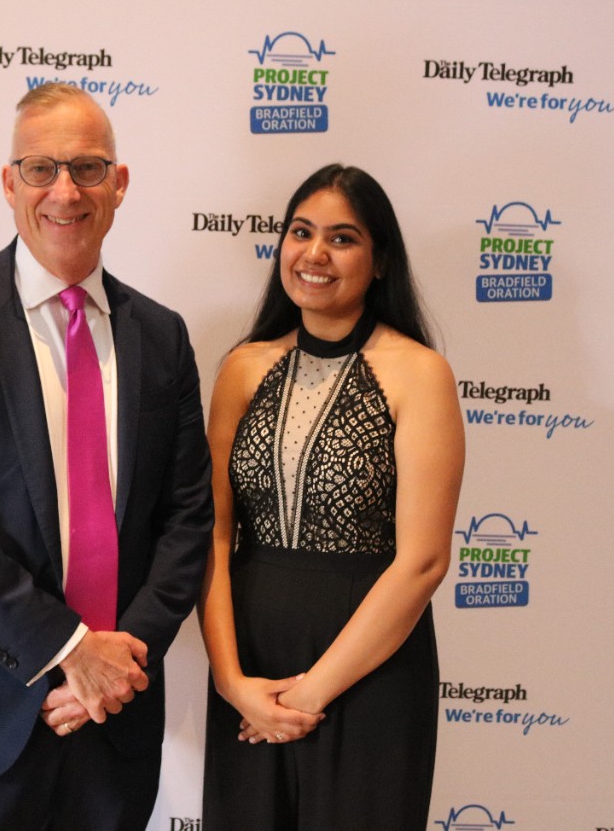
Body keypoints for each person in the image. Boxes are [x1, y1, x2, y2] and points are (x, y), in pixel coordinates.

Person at [0, 82, 213, 831]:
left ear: (119, 185)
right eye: (41, 169)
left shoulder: (162, 335)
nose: (66, 191)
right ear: (8, 183)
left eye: (88, 168)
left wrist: (116, 665)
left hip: (113, 715)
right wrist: (67, 648)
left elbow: (188, 519)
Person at [198, 164, 464, 829]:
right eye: (301, 231)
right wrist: (233, 681)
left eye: (342, 238)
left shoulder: (419, 373)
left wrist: (312, 691)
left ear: (379, 262)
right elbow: (214, 533)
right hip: (252, 666)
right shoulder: (242, 367)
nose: (314, 253)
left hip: (369, 669)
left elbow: (423, 561)